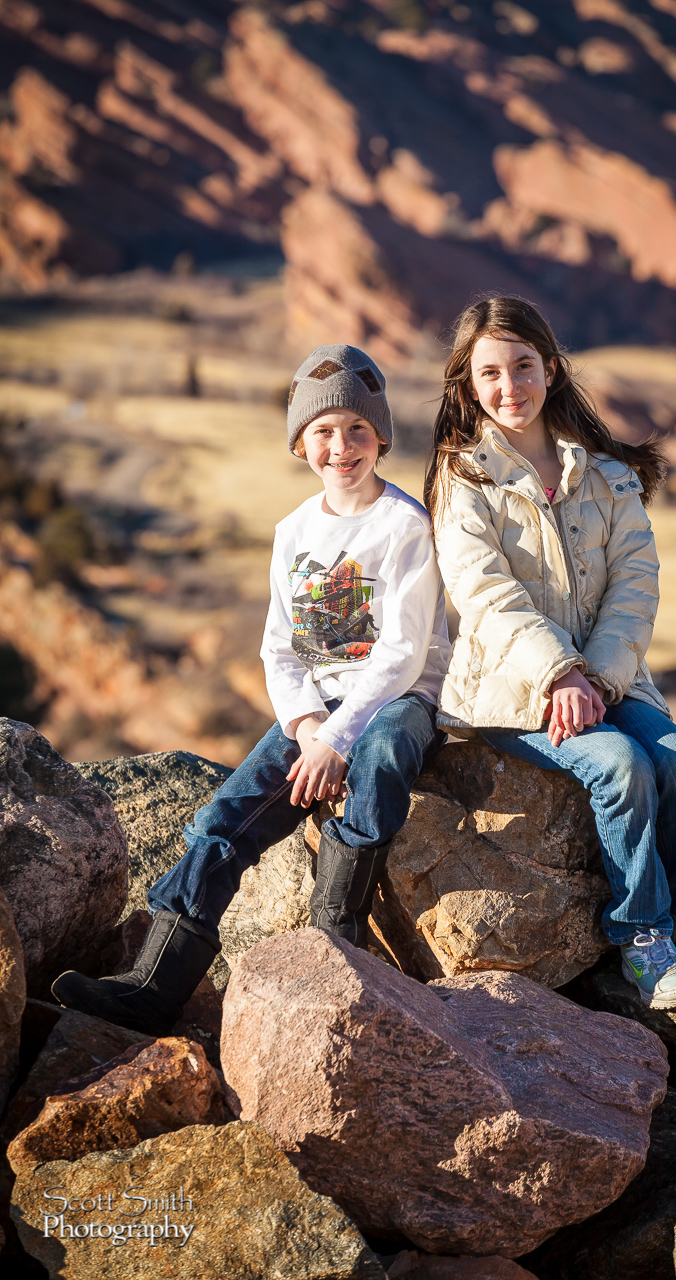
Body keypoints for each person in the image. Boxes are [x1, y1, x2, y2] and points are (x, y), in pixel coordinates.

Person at [53, 344, 449, 1035]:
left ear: (381, 436)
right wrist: (303, 729)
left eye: (358, 430)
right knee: (221, 821)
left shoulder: (403, 525)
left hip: (399, 697)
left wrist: (335, 740)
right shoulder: (293, 532)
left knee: (382, 759)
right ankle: (153, 986)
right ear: (300, 444)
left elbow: (403, 652)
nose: (341, 446)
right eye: (322, 432)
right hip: (314, 710)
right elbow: (279, 645)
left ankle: (337, 942)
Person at [424, 296, 676, 1010]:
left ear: (550, 368)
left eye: (522, 366)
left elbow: (636, 585)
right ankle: (641, 936)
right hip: (508, 692)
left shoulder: (607, 474)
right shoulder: (465, 480)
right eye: (489, 373)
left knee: (675, 755)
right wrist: (557, 672)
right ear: (467, 385)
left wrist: (597, 676)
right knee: (619, 764)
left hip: (609, 680)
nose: (508, 386)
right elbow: (484, 596)